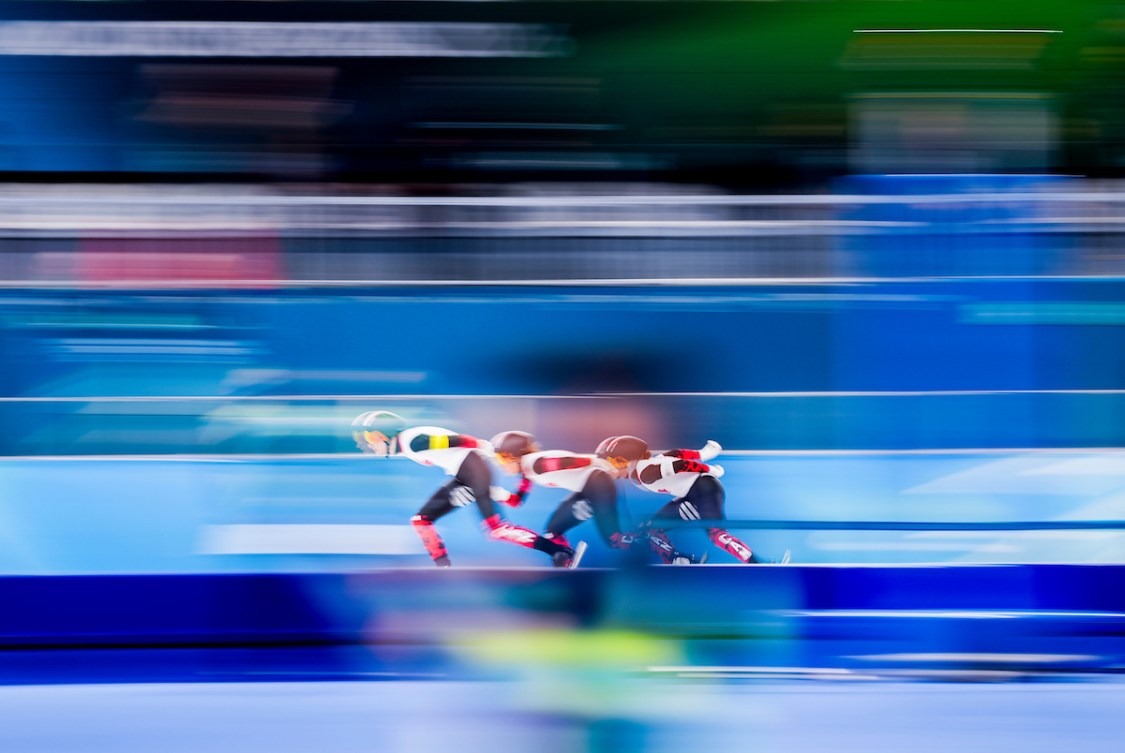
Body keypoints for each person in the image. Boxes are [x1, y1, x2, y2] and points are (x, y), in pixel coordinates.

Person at [352, 411, 575, 568]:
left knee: (497, 529)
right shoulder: (409, 443)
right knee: (421, 520)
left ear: (383, 433)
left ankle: (558, 552)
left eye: (370, 438)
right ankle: (443, 567)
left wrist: (497, 453)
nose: (368, 444)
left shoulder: (412, 441)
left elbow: (462, 441)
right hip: (465, 473)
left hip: (470, 470)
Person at [601, 435, 788, 564]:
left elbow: (680, 464)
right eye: (612, 463)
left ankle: (757, 563)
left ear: (631, 460)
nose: (615, 468)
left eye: (617, 462)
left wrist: (709, 469)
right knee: (650, 528)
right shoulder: (646, 466)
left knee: (716, 534)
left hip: (703, 488)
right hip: (693, 493)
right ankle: (678, 560)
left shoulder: (645, 472)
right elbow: (675, 455)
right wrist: (702, 454)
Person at [518, 436, 698, 565]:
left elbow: (568, 461)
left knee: (616, 540)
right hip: (589, 487)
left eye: (501, 459)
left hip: (596, 485)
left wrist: (596, 462)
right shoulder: (527, 469)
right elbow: (516, 498)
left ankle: (675, 556)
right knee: (552, 531)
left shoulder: (535, 464)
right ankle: (564, 558)